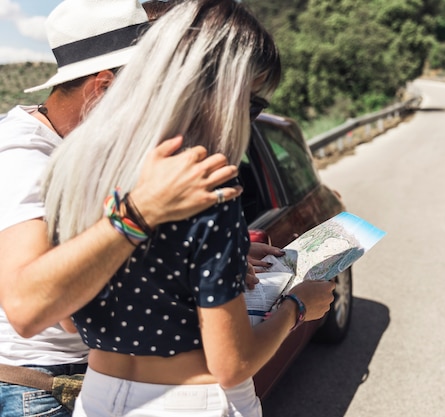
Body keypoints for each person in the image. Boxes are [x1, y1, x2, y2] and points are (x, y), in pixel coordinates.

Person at [42, 0, 336, 416]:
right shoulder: (206, 183)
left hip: (99, 397)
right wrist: (298, 306)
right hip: (195, 402)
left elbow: (70, 321)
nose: (247, 119)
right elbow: (232, 364)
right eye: (252, 105)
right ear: (220, 92)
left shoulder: (70, 168)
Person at [0, 0, 244, 415]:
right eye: (146, 90)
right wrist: (139, 212)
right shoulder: (24, 155)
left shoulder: (78, 147)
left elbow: (91, 255)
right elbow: (28, 308)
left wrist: (204, 260)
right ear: (104, 87)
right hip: (42, 387)